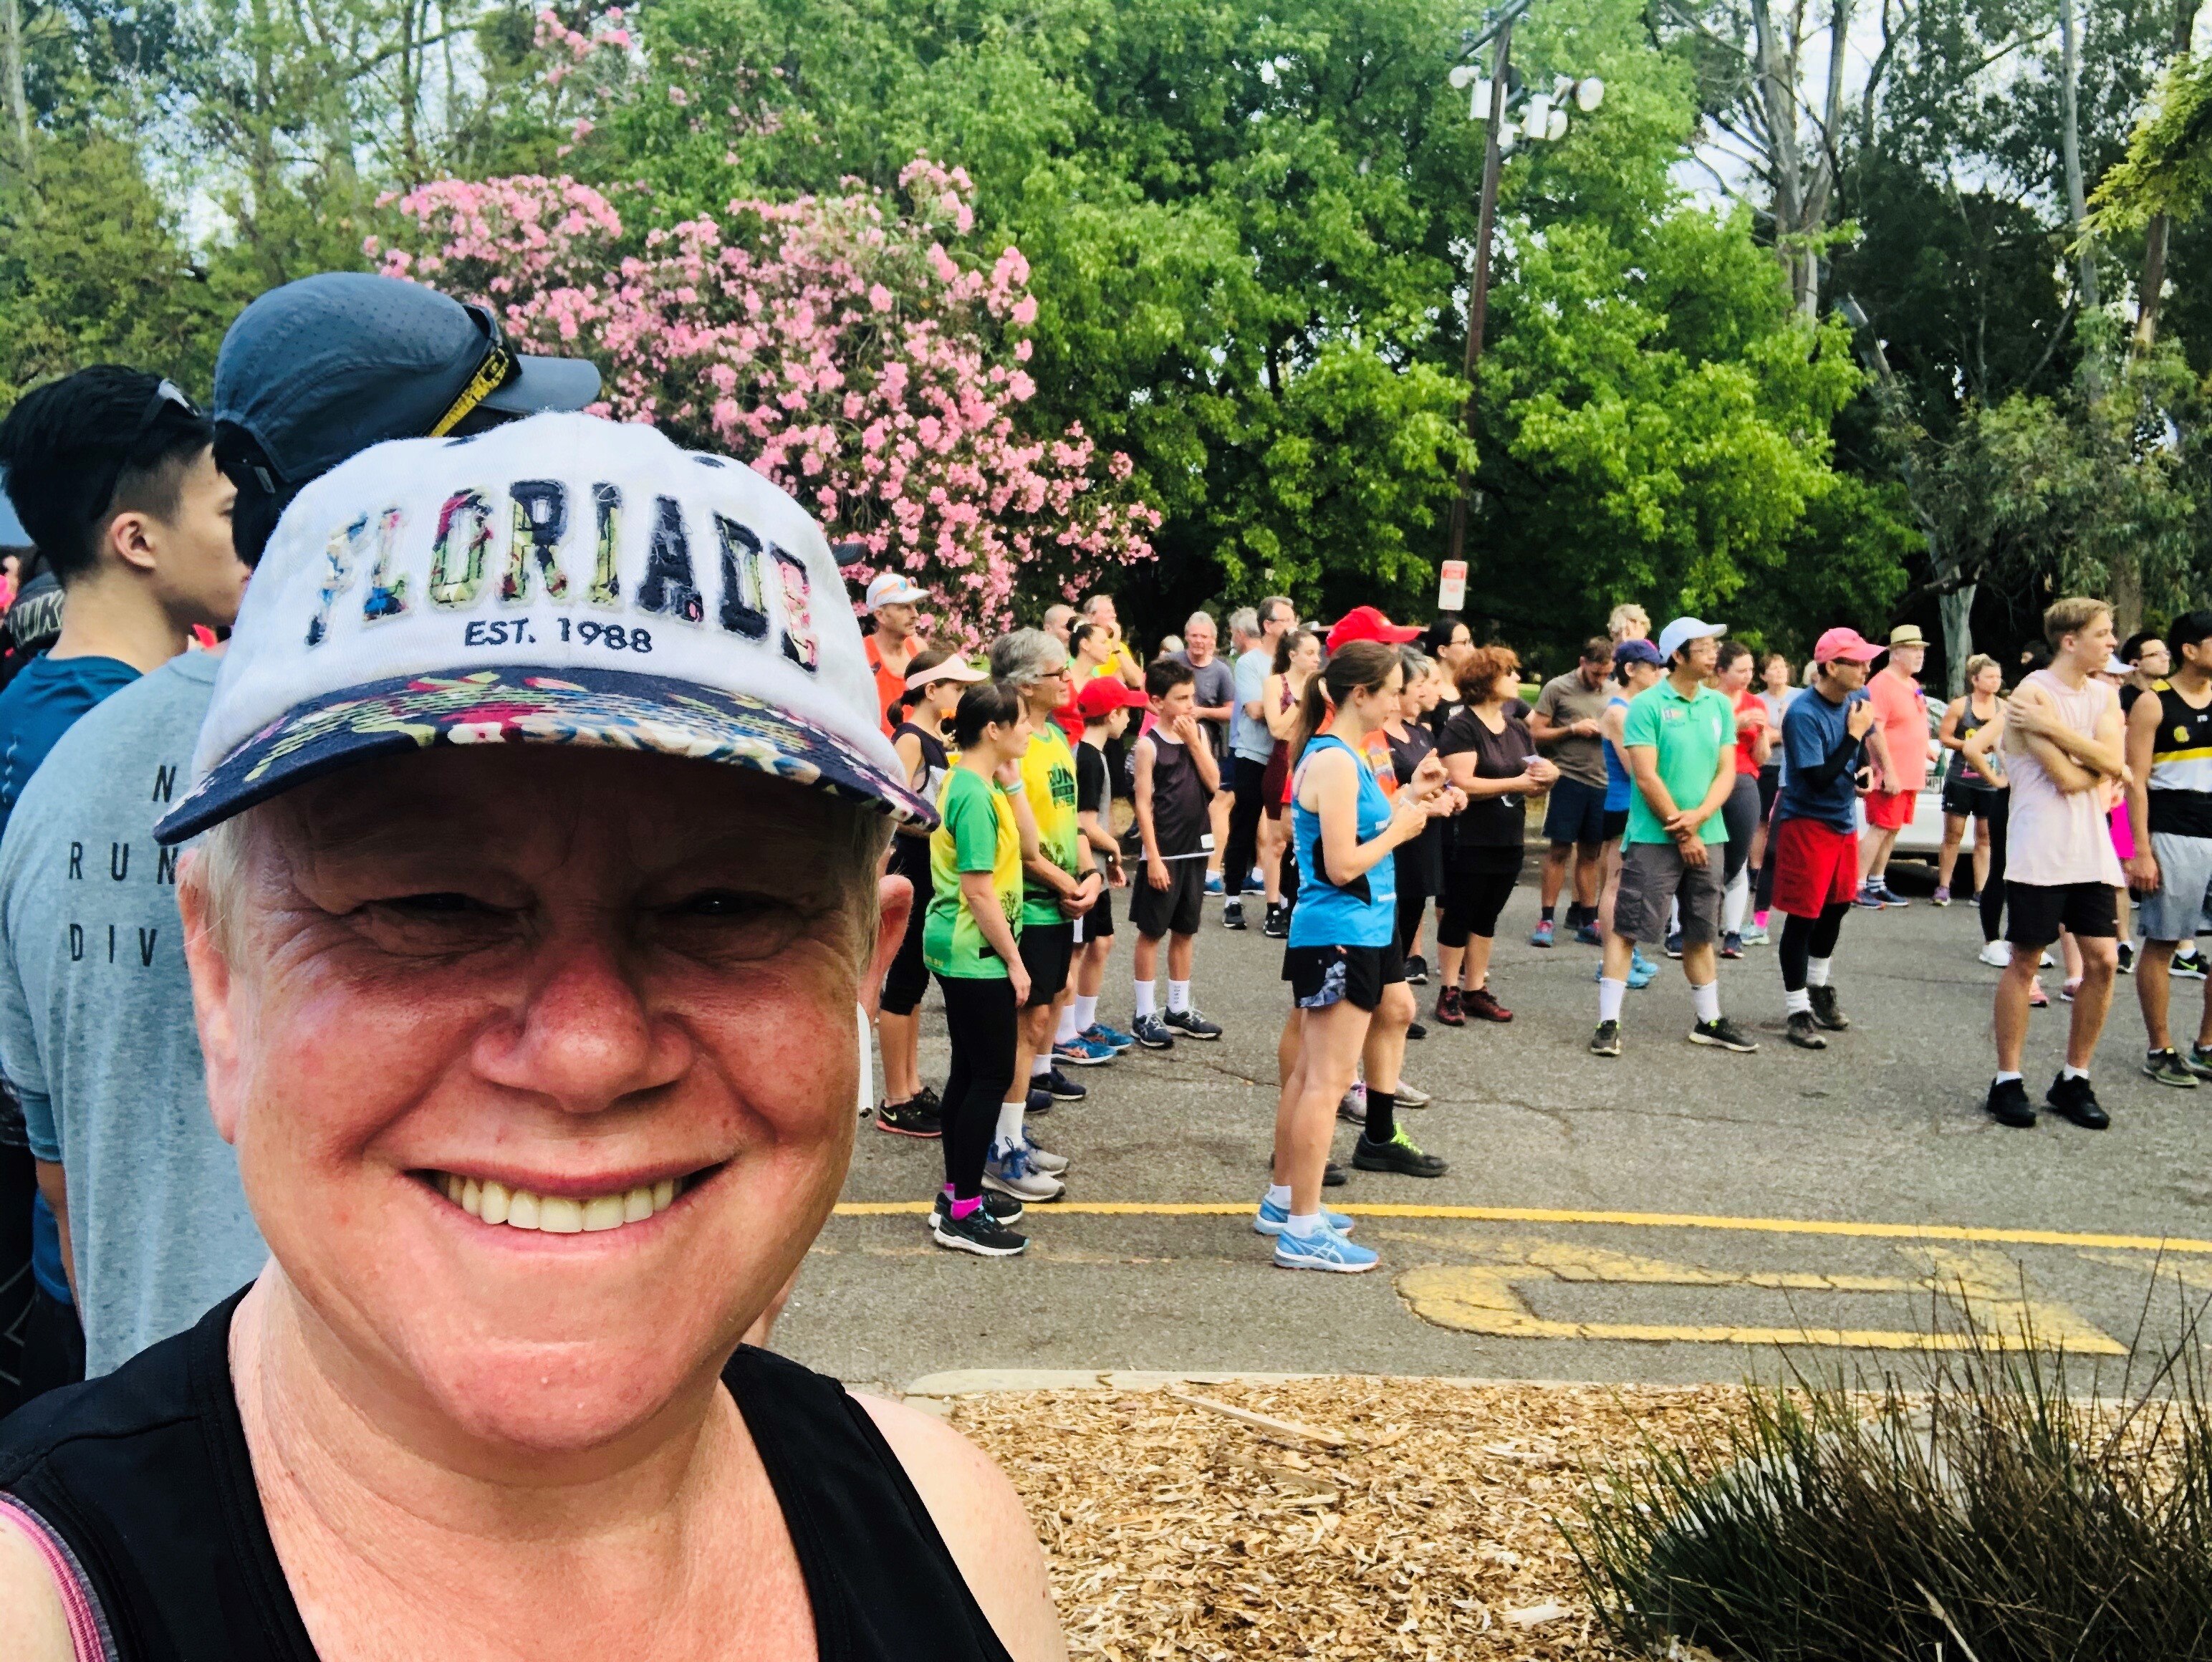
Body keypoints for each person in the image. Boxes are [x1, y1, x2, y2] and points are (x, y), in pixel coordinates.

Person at [0, 412, 1064, 1658]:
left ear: (859, 975)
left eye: (724, 907)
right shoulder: (38, 1606)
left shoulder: (955, 1533)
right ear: (220, 980)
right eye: (429, 906)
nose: (584, 1055)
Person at [0, 369, 246, 1408]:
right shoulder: (165, 748)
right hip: (158, 1304)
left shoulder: (22, 714)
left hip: (77, 1272)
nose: (249, 537)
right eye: (228, 512)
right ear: (137, 540)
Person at [1263, 640, 1450, 1272]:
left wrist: (1408, 800)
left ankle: (1285, 1202)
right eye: (1393, 690)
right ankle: (1302, 1229)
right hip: (1341, 933)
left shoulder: (1344, 755)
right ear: (1360, 694)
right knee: (1326, 1082)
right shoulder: (1336, 761)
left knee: (1310, 1076)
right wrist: (1401, 829)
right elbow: (1342, 865)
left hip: (1352, 931)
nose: (1401, 701)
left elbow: (1356, 832)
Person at [1984, 597, 2130, 1130]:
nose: (2112, 642)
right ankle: (2007, 1080)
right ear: (2070, 641)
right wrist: (2104, 765)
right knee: (2025, 961)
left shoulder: (2104, 695)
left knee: (2103, 962)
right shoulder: (2032, 693)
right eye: (2103, 633)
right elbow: (2069, 779)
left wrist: (2071, 740)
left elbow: (2116, 761)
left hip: (2091, 849)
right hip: (2040, 848)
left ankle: (2074, 1078)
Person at [1592, 618, 1756, 1057]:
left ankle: (1709, 1020)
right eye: (1703, 647)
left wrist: (1699, 818)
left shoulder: (1718, 706)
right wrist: (1683, 831)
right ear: (1678, 656)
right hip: (1654, 836)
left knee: (1701, 930)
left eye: (1714, 646)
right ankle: (1608, 1023)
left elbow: (1727, 771)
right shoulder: (1646, 705)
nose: (1713, 654)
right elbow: (1645, 775)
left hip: (1710, 833)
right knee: (1628, 927)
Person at [992, 630, 1102, 1188]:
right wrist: (1065, 882)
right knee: (1023, 1025)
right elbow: (1014, 841)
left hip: (1058, 901)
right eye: (1057, 673)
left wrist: (1089, 874)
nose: (1068, 680)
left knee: (1040, 1019)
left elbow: (1070, 820)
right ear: (1025, 685)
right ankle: (1000, 1146)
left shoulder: (1056, 736)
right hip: (1027, 905)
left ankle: (1010, 1134)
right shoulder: (1009, 746)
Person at [876, 650, 985, 1135]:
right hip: (912, 867)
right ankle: (894, 1098)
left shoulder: (937, 739)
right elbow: (890, 806)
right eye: (956, 687)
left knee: (915, 981)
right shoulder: (909, 739)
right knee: (903, 981)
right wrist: (938, 829)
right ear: (931, 690)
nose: (961, 695)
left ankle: (912, 1084)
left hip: (931, 870)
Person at [1768, 629, 1881, 1049]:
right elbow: (1816, 779)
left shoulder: (1857, 698)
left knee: (1836, 908)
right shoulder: (1802, 714)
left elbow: (1860, 746)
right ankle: (1797, 1009)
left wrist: (1864, 768)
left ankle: (1818, 987)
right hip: (1807, 823)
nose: (1867, 668)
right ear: (1831, 667)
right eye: (1858, 662)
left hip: (1842, 821)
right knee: (1804, 917)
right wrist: (1853, 736)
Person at [1435, 646, 1556, 1024]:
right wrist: (1517, 783)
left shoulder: (1516, 727)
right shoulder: (1462, 726)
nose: (1518, 678)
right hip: (1469, 836)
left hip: (1508, 835)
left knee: (1487, 915)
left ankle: (1475, 990)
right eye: (1509, 672)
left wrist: (1548, 775)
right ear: (1487, 680)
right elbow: (1463, 782)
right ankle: (1449, 989)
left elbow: (1532, 771)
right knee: (1460, 912)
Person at [2125, 610, 2212, 1088]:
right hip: (2174, 833)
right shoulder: (2153, 704)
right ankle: (2161, 1049)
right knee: (2163, 942)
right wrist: (2140, 850)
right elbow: (2134, 781)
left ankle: (2207, 1046)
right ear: (2190, 650)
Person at [1128, 659, 1223, 1047]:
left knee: (1185, 931)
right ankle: (1144, 1013)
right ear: (1157, 702)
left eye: (1192, 697)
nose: (1189, 705)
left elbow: (1214, 783)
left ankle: (1179, 1008)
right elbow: (1143, 803)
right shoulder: (1148, 745)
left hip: (1195, 848)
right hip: (1164, 852)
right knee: (1152, 931)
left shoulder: (1197, 733)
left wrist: (1195, 743)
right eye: (1181, 698)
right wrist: (1152, 856)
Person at [1069, 676, 1143, 1056]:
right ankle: (1065, 1031)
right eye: (1127, 711)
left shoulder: (1095, 755)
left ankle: (1085, 1021)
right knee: (1077, 948)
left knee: (1101, 941)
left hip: (1096, 866)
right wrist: (1114, 848)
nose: (1130, 718)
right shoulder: (1087, 759)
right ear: (1112, 714)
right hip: (1085, 868)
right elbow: (1083, 823)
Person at [1527, 637, 1615, 947]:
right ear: (1582, 663)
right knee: (1560, 850)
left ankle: (1588, 919)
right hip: (1568, 778)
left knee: (1590, 853)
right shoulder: (1557, 688)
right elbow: (1535, 732)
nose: (1600, 680)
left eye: (1606, 673)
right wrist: (1572, 729)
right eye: (1595, 673)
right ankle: (1546, 919)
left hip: (1602, 782)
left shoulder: (1614, 692)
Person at [1595, 640, 1665, 990]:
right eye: (1652, 667)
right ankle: (1610, 960)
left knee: (1631, 885)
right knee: (1616, 884)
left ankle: (1628, 953)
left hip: (1634, 805)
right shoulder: (1620, 712)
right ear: (1630, 669)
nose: (1658, 673)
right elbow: (1635, 768)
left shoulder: (1638, 708)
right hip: (1623, 804)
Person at [1223, 597, 1293, 930]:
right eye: (1285, 621)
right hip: (1254, 753)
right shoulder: (1250, 663)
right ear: (1268, 625)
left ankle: (1282, 900)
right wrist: (1288, 708)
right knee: (1245, 823)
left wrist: (1279, 709)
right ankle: (1232, 897)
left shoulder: (1295, 661)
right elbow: (1253, 709)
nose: (1292, 626)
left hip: (1288, 756)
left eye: (1293, 620)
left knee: (1285, 831)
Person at [1384, 650, 1450, 986]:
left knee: (1411, 916)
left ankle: (1391, 991)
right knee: (1389, 932)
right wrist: (1425, 805)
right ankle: (1385, 996)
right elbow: (1384, 795)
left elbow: (1433, 781)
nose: (1424, 692)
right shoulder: (1378, 738)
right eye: (1419, 684)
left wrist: (1451, 794)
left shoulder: (1421, 733)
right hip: (1395, 844)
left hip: (1423, 843)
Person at [1857, 625, 1929, 908]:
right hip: (1890, 773)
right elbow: (1874, 732)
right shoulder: (1881, 685)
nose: (1919, 655)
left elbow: (1910, 724)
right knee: (1880, 827)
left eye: (1921, 649)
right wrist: (1888, 771)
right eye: (1913, 649)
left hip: (1909, 773)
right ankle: (1856, 884)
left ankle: (1876, 882)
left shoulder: (1911, 684)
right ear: (1895, 653)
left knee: (1892, 828)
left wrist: (1925, 750)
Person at [1708, 641, 1772, 959]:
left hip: (1743, 778)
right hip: (1708, 779)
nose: (1748, 676)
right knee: (1701, 854)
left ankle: (1733, 932)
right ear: (1721, 671)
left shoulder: (1755, 703)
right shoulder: (1707, 700)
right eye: (1741, 670)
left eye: (1751, 670)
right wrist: (1736, 724)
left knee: (1738, 857)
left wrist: (1761, 733)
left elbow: (1761, 758)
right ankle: (1682, 927)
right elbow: (1699, 742)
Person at [1259, 627, 1322, 937]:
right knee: (1277, 840)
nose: (1316, 659)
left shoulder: (1320, 684)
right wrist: (1301, 700)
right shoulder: (1276, 684)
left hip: (1310, 758)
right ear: (1292, 655)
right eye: (1310, 653)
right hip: (1283, 761)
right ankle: (1272, 907)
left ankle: (1295, 900)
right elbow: (1277, 728)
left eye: (1318, 653)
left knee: (1305, 836)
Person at [1173, 613, 1238, 893]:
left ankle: (1210, 869)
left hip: (1209, 745)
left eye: (1205, 636)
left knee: (1212, 803)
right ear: (1186, 636)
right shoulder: (1172, 663)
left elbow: (1232, 711)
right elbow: (1150, 696)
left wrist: (1201, 712)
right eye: (1195, 636)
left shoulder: (1221, 671)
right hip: (1172, 742)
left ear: (1213, 640)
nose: (1199, 641)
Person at [1935, 654, 2004, 906]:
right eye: (1990, 677)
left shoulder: (2004, 708)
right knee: (1953, 834)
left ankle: (1981, 890)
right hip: (1961, 779)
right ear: (1975, 680)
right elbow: (1944, 737)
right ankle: (1944, 886)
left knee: (1985, 837)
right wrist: (1971, 746)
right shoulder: (1959, 706)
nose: (1995, 681)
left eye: (1998, 677)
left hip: (1990, 781)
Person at [1745, 650, 1797, 944]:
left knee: (1786, 843)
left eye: (1782, 667)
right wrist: (1777, 731)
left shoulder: (1800, 698)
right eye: (1773, 668)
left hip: (1796, 778)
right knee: (1765, 828)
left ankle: (1797, 919)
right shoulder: (1758, 701)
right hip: (1768, 769)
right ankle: (1759, 919)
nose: (1779, 672)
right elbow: (1759, 736)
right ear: (1763, 675)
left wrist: (1777, 730)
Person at [862, 572, 931, 737]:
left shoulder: (919, 649)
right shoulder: (862, 654)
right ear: (880, 615)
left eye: (914, 606)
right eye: (904, 607)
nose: (915, 615)